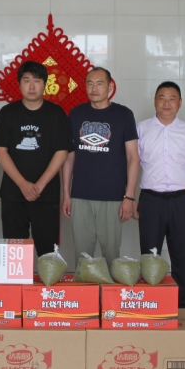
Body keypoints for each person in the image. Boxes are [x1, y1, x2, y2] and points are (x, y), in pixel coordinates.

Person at [0, 61, 73, 256]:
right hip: (13, 194)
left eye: (37, 81)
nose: (31, 86)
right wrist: (23, 184)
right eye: (26, 80)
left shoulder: (56, 113)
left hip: (46, 195)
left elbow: (62, 152)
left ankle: (47, 278)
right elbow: (1, 152)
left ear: (45, 84)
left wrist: (39, 185)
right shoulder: (7, 113)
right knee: (15, 252)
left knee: (48, 252)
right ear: (19, 84)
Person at [62, 67, 139, 269]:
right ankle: (84, 290)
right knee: (82, 256)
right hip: (80, 195)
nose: (94, 88)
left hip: (113, 196)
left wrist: (129, 197)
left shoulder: (123, 115)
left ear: (110, 86)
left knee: (112, 255)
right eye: (90, 83)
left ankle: (110, 290)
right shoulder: (77, 114)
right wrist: (66, 194)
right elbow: (69, 156)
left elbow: (133, 157)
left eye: (99, 83)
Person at [136, 81, 185, 308]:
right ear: (154, 101)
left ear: (180, 103)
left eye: (172, 98)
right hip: (150, 200)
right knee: (149, 257)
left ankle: (182, 306)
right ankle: (151, 304)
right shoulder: (141, 129)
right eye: (162, 97)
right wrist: (131, 198)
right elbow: (131, 165)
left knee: (181, 257)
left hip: (182, 201)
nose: (167, 103)